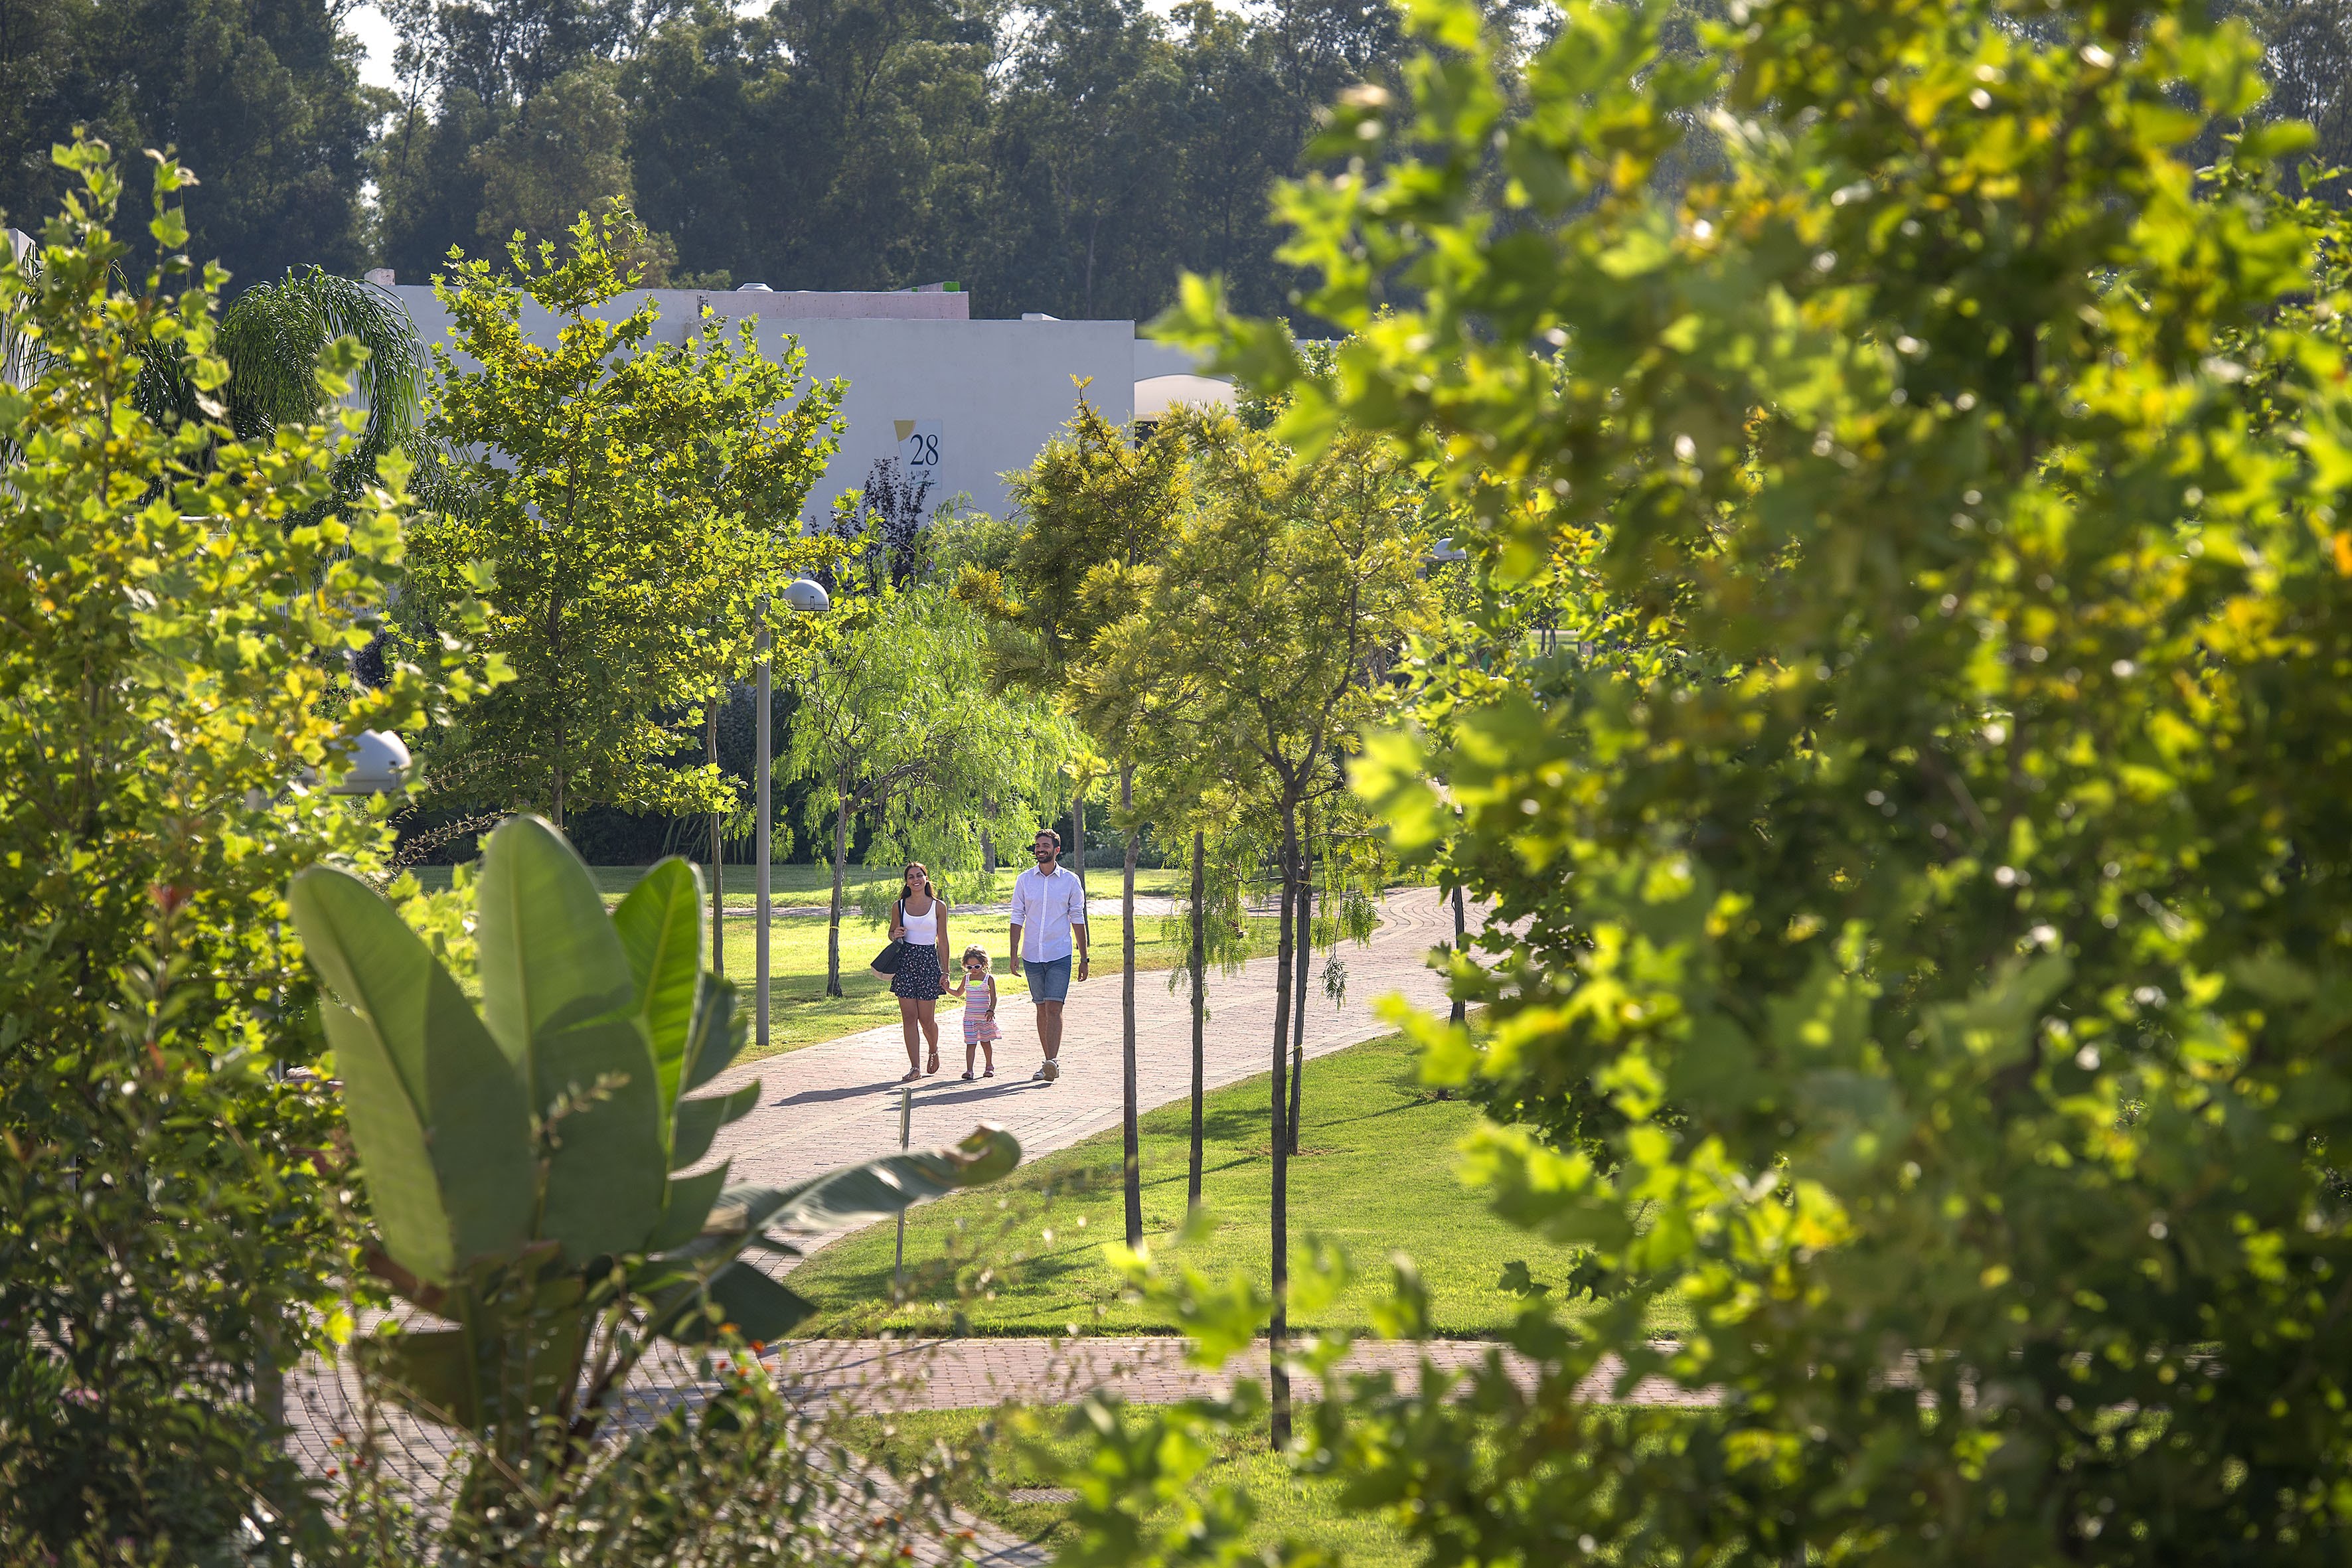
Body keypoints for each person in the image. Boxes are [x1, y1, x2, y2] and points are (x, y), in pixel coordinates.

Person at [1007, 828, 1087, 1083]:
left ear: (1056, 850)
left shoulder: (1070, 881)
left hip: (1059, 954)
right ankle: (1048, 1062)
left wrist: (1084, 957)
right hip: (1032, 954)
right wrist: (1013, 954)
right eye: (1037, 845)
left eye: (1045, 845)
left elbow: (1077, 918)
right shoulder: (1024, 880)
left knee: (1054, 1007)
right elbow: (1017, 917)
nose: (1040, 849)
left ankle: (1051, 1061)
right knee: (1041, 1009)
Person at [888, 862, 951, 1083]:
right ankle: (915, 1067)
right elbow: (891, 933)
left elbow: (942, 940)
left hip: (928, 962)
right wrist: (895, 933)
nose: (915, 880)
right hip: (905, 962)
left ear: (926, 879)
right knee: (909, 1017)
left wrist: (946, 971)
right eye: (910, 877)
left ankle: (933, 1049)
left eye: (919, 876)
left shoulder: (938, 906)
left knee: (926, 1020)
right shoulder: (900, 906)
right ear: (907, 882)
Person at [951, 945, 999, 1080]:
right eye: (969, 967)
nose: (974, 970)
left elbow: (994, 997)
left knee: (985, 1042)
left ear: (983, 964)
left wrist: (991, 1009)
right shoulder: (966, 979)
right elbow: (958, 993)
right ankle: (969, 1070)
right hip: (970, 1019)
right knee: (970, 1044)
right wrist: (946, 988)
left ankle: (989, 1066)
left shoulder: (988, 979)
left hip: (985, 1018)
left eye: (977, 967)